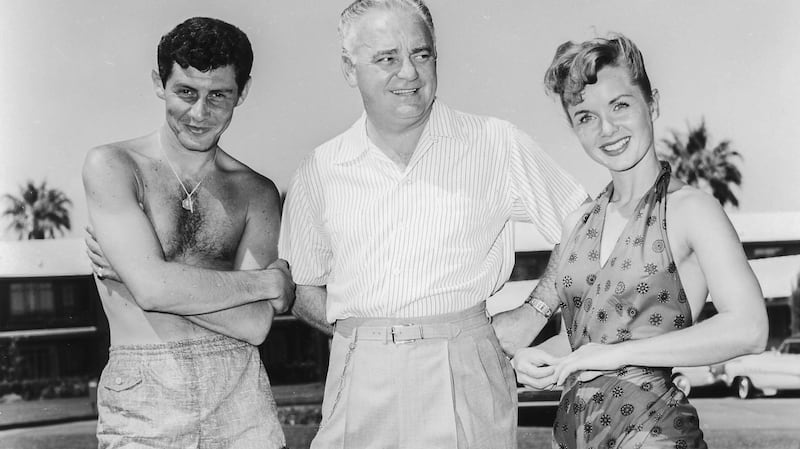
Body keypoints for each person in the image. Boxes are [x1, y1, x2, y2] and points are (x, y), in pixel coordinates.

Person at [278, 1, 587, 447]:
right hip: (359, 375)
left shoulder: (494, 143)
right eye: (387, 58)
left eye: (421, 55)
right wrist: (371, 338)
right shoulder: (320, 168)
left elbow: (585, 221)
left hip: (466, 367)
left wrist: (534, 310)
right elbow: (305, 287)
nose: (408, 73)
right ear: (349, 68)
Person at [508, 34, 768, 449]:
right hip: (571, 434)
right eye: (585, 117)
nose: (606, 129)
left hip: (653, 432)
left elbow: (751, 328)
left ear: (653, 103)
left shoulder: (691, 210)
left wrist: (614, 355)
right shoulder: (577, 221)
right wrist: (539, 358)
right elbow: (588, 340)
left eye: (620, 105)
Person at [82, 17, 293, 449]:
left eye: (219, 95)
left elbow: (255, 325)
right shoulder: (114, 166)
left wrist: (147, 277)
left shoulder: (256, 192)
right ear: (160, 83)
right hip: (144, 391)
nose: (200, 113)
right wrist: (267, 282)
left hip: (240, 393)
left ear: (243, 92)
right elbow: (153, 290)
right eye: (186, 92)